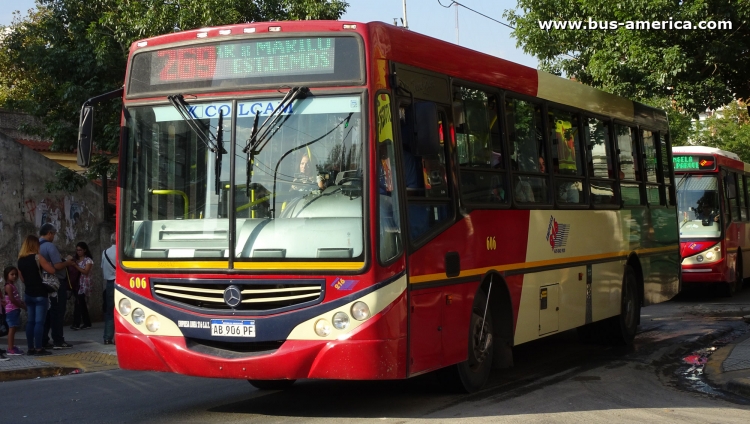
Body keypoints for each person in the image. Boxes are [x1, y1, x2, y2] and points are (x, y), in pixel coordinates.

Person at [17, 235, 57, 356]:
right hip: (40, 293)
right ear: (35, 245)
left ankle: (30, 348)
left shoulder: (20, 260)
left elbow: (22, 279)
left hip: (28, 293)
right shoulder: (37, 257)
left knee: (30, 322)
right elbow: (52, 271)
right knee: (39, 322)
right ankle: (39, 348)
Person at [38, 223, 74, 350]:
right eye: (53, 234)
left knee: (47, 312)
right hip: (56, 283)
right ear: (49, 233)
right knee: (58, 312)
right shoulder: (50, 246)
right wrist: (68, 262)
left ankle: (43, 339)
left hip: (42, 283)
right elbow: (57, 266)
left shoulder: (35, 246)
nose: (54, 237)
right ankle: (58, 340)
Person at [70, 242, 93, 330]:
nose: (78, 252)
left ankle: (77, 323)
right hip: (76, 283)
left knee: (79, 303)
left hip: (84, 284)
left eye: (80, 250)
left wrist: (76, 266)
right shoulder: (75, 259)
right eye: (77, 250)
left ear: (84, 250)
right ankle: (87, 322)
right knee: (81, 303)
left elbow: (86, 272)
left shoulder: (88, 260)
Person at [4, 266, 27, 355]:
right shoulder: (8, 286)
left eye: (15, 274)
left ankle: (12, 346)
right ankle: (10, 348)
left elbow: (16, 298)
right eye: (12, 274)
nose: (14, 276)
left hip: (15, 310)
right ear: (7, 275)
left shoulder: (12, 285)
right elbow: (12, 300)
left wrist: (20, 302)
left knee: (13, 329)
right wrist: (21, 306)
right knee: (12, 329)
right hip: (11, 310)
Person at [102, 233, 117, 345]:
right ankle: (118, 337)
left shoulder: (105, 252)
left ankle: (107, 337)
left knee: (109, 312)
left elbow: (103, 267)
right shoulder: (122, 252)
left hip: (109, 284)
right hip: (120, 283)